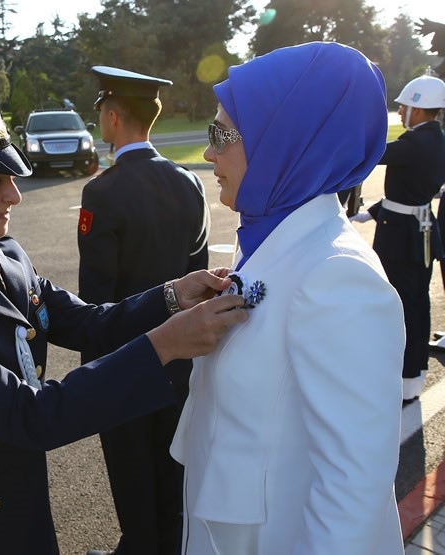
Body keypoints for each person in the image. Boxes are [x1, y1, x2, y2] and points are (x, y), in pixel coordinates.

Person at [0, 98, 249, 555]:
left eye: (10, 179)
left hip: (28, 506)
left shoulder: (8, 257)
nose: (13, 196)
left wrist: (170, 296)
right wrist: (163, 346)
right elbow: (29, 415)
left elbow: (87, 323)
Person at [169, 41, 406, 555]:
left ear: (286, 138)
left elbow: (353, 489)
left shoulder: (338, 275)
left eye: (222, 133)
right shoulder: (270, 240)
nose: (209, 153)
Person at [78, 66, 209, 555]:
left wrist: (94, 377)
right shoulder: (188, 181)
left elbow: (96, 298)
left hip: (126, 359)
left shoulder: (103, 191)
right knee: (173, 472)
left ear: (113, 118)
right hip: (183, 358)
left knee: (133, 477)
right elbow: (198, 274)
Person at [351, 69, 445, 403]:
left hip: (401, 238)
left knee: (400, 306)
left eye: (405, 108)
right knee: (417, 303)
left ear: (419, 110)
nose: (402, 113)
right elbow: (406, 193)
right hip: (417, 229)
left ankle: (401, 374)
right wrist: (371, 212)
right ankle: (413, 374)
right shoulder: (435, 139)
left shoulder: (416, 141)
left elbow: (374, 153)